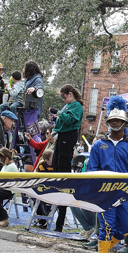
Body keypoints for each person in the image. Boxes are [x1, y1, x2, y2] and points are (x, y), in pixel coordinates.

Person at [86, 96, 128, 253]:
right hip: (105, 194)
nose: (115, 123)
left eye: (118, 120)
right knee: (107, 227)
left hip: (125, 194)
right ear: (108, 122)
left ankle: (102, 251)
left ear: (125, 123)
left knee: (126, 227)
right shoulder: (98, 146)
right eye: (112, 120)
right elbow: (92, 170)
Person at [48, 84, 84, 231]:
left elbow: (68, 120)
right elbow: (59, 123)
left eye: (63, 96)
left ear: (70, 94)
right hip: (61, 136)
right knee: (56, 169)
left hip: (68, 136)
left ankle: (60, 223)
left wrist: (58, 114)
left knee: (62, 170)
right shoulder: (68, 106)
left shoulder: (76, 106)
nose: (63, 99)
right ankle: (55, 219)